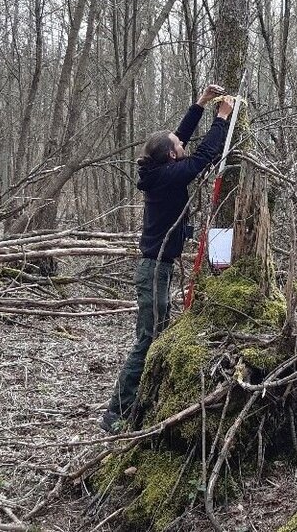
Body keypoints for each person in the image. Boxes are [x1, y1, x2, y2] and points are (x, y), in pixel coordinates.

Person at [100, 85, 235, 434]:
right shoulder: (169, 176)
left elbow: (179, 139)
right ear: (173, 157)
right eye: (178, 147)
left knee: (156, 336)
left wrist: (201, 104)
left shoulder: (161, 169)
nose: (182, 144)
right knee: (148, 340)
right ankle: (116, 413)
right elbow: (205, 155)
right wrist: (222, 119)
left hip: (157, 269)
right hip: (153, 271)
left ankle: (140, 404)